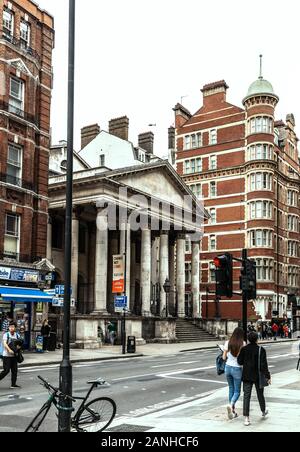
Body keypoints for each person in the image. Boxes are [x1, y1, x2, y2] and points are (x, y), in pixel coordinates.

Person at [238, 332, 271, 427]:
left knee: (246, 396)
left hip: (247, 376)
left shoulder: (244, 349)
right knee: (260, 394)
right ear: (257, 339)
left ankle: (246, 418)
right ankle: (263, 411)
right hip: (258, 376)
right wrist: (267, 376)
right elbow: (264, 365)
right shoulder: (261, 350)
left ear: (248, 339)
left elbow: (239, 361)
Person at [223, 328, 246, 420]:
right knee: (237, 391)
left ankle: (232, 411)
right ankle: (231, 405)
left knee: (231, 389)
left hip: (227, 367)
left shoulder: (228, 342)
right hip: (237, 369)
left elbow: (224, 357)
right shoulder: (243, 344)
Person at [0, 322, 22, 389]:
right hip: (6, 356)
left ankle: (13, 384)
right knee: (6, 370)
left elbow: (20, 343)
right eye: (10, 327)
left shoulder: (17, 335)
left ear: (15, 328)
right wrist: (9, 350)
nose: (11, 328)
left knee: (14, 371)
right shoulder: (6, 334)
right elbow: (4, 343)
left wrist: (19, 347)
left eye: (12, 327)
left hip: (14, 356)